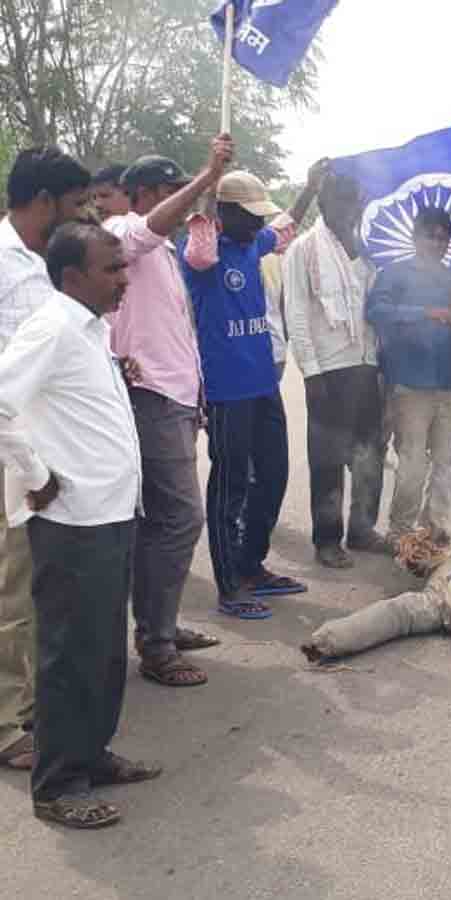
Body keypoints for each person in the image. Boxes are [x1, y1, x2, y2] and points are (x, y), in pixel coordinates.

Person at [0, 223, 162, 829]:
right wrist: (35, 474)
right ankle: (58, 785)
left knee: (101, 649)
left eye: (123, 266)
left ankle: (90, 754)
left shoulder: (88, 328)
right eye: (111, 269)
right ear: (72, 277)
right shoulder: (51, 327)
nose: (124, 278)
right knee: (70, 653)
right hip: (71, 521)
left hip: (110, 511)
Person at [106, 141, 232, 685]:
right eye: (171, 189)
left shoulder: (164, 253)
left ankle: (160, 624)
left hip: (175, 398)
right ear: (147, 195)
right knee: (179, 518)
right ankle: (156, 644)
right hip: (151, 396)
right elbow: (149, 227)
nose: (181, 201)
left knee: (162, 521)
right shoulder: (121, 233)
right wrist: (206, 176)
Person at [180, 170, 313, 619]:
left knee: (273, 474)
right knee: (229, 486)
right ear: (224, 213)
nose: (258, 225)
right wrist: (210, 187)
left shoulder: (252, 244)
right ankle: (229, 585)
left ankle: (251, 564)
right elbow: (201, 243)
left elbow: (284, 227)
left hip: (262, 385)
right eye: (249, 216)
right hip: (226, 392)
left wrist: (309, 186)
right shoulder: (203, 254)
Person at [0, 146, 91, 771]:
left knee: (37, 587)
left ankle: (31, 703)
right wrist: (31, 469)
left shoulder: (39, 263)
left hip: (49, 447)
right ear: (41, 205)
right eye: (76, 204)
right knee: (11, 592)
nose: (84, 214)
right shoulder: (4, 265)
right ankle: (7, 725)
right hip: (15, 454)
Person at [283, 165, 389, 568]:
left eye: (354, 201)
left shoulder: (366, 251)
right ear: (324, 202)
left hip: (367, 366)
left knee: (370, 453)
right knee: (328, 460)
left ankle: (362, 530)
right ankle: (327, 540)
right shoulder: (304, 250)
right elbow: (295, 312)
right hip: (329, 372)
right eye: (340, 201)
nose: (348, 209)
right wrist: (311, 373)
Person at [366, 206, 451, 543]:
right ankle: (400, 531)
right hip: (409, 383)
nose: (437, 243)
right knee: (412, 464)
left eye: (444, 237)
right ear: (415, 237)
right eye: (431, 235)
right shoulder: (394, 274)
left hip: (447, 384)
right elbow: (376, 311)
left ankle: (434, 528)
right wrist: (426, 312)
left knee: (444, 464)